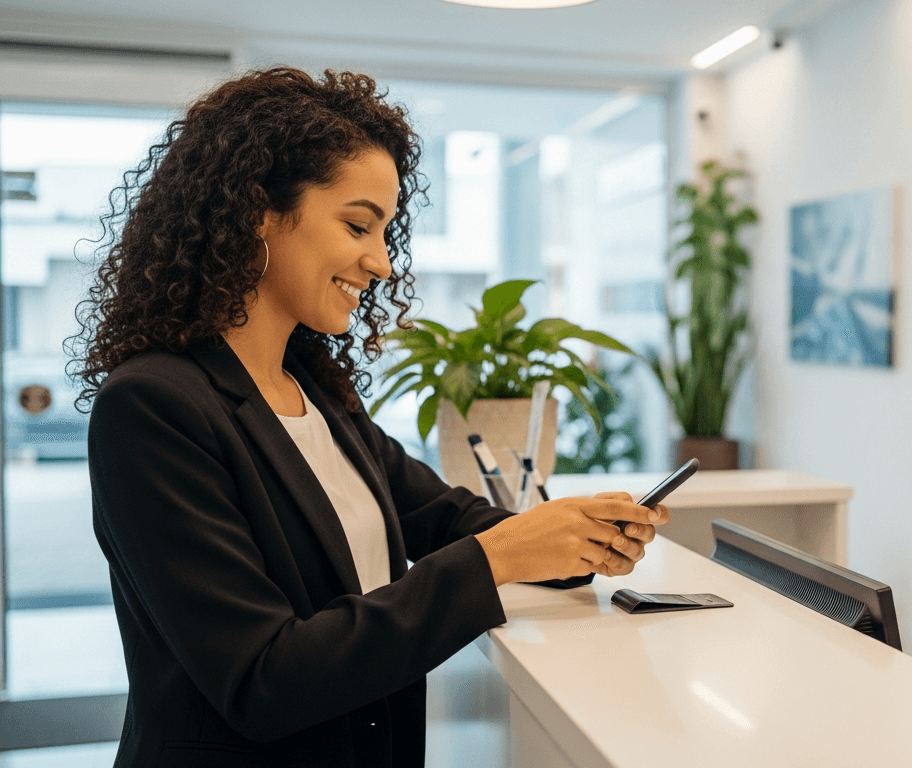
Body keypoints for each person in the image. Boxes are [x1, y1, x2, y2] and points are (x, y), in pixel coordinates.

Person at [74, 67, 667, 768]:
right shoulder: (153, 407)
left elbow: (450, 521)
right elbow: (262, 678)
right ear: (257, 212)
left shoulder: (318, 396)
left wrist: (574, 542)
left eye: (385, 232)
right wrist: (501, 558)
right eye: (358, 224)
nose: (382, 263)